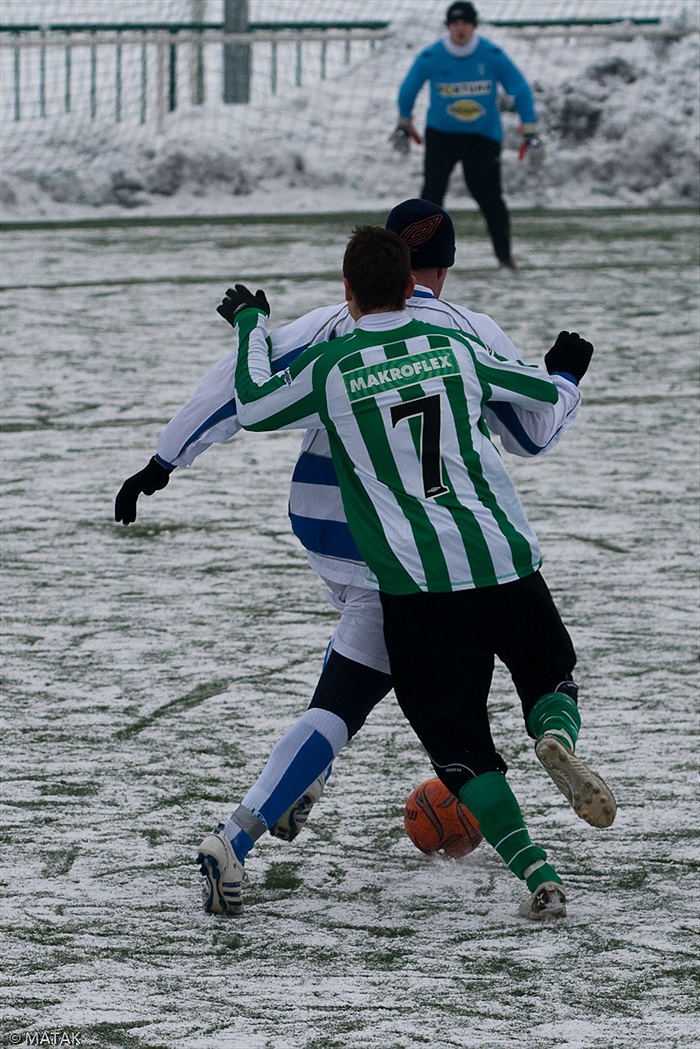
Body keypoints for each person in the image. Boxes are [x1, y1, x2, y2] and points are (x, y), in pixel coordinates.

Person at [115, 201, 608, 918]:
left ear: (352, 284)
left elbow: (241, 391)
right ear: (428, 275)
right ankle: (256, 819)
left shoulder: (325, 334)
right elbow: (533, 432)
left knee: (353, 682)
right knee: (353, 696)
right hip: (425, 556)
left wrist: (163, 460)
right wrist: (565, 376)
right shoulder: (466, 333)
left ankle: (278, 802)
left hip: (330, 536)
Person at [390, 1, 542, 273]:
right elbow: (408, 87)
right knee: (430, 200)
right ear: (448, 26)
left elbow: (519, 88)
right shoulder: (432, 56)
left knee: (490, 199)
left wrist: (529, 128)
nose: (460, 29)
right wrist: (404, 122)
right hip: (442, 137)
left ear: (474, 26)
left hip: (481, 137)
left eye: (466, 23)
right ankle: (420, 261)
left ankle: (505, 258)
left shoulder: (491, 55)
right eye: (455, 23)